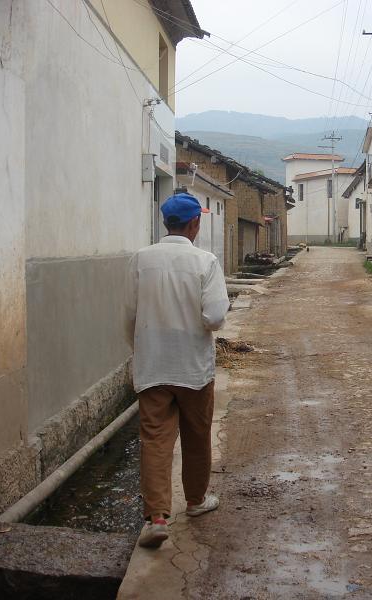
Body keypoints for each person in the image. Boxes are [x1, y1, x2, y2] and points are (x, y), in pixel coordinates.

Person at [123, 191, 230, 548]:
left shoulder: (141, 259)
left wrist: (141, 349)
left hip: (153, 363)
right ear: (195, 223)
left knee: (155, 439)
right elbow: (214, 317)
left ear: (164, 222)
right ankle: (196, 502)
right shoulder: (205, 261)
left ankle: (156, 517)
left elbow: (129, 314)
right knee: (196, 435)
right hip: (193, 368)